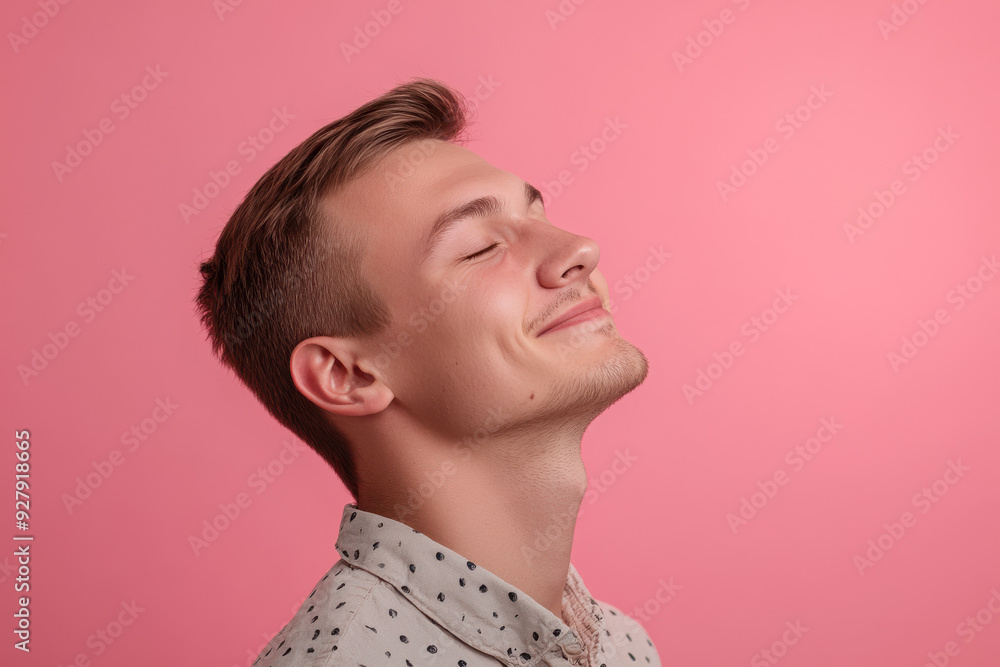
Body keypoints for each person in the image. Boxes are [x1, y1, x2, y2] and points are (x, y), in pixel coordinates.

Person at [195, 77, 658, 666]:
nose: (579, 248)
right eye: (477, 248)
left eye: (538, 215)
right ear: (348, 374)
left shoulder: (624, 647)